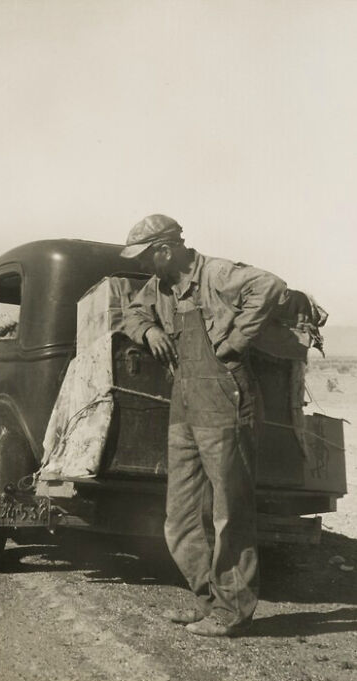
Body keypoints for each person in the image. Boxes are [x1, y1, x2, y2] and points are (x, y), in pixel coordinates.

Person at [120, 214, 286, 637]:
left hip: (225, 399)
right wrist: (150, 330)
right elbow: (131, 314)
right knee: (181, 516)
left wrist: (234, 341)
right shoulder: (158, 287)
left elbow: (269, 286)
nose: (143, 266)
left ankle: (232, 610)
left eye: (146, 257)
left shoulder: (215, 273)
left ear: (165, 250)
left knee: (230, 511)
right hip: (185, 405)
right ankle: (208, 599)